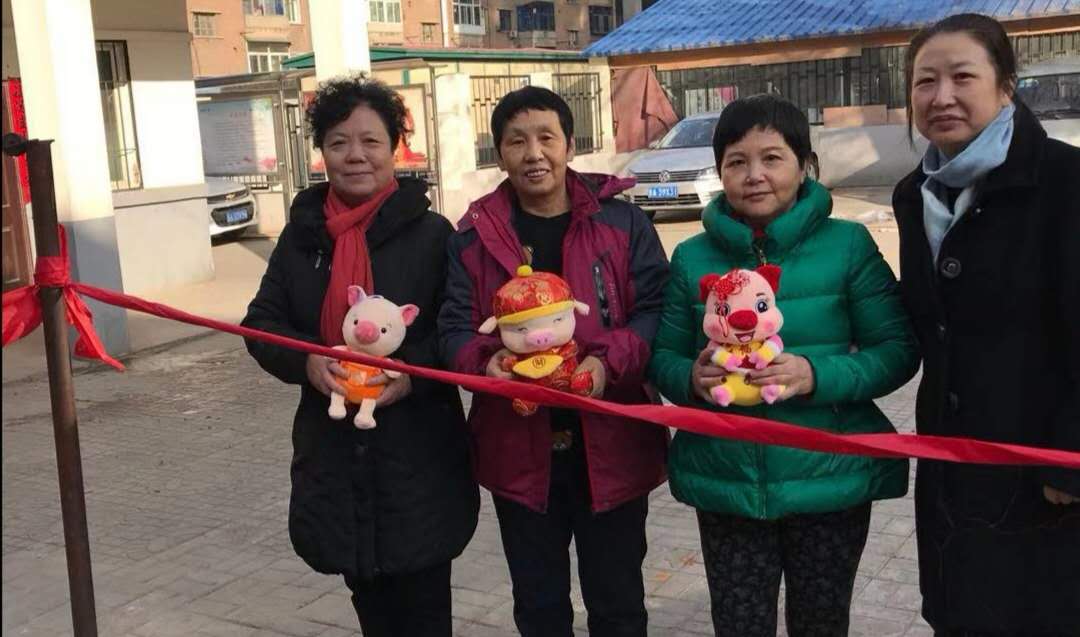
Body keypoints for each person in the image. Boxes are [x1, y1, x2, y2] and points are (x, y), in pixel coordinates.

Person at [647, 94, 920, 637]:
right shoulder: (692, 257)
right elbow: (662, 357)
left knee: (821, 623)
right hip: (726, 483)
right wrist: (690, 379)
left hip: (829, 480)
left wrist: (815, 376)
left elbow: (897, 349)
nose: (754, 175)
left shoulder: (848, 245)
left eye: (771, 158)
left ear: (804, 164)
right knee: (739, 623)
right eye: (736, 161)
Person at [241, 76, 478, 636]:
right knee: (370, 604)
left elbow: (457, 330)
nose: (355, 156)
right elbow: (261, 325)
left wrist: (411, 376)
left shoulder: (432, 234)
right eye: (339, 142)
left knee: (423, 608)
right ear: (321, 151)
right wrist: (307, 362)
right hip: (335, 454)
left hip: (418, 455)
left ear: (395, 147)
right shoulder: (302, 238)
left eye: (371, 141)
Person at [437, 86, 670, 636]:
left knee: (618, 605)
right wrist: (486, 365)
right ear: (500, 154)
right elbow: (453, 328)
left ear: (569, 145)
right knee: (539, 608)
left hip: (612, 445)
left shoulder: (622, 225)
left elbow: (657, 311)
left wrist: (607, 365)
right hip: (519, 453)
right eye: (517, 141)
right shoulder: (473, 240)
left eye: (546, 137)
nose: (534, 153)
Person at [893, 13, 1080, 636]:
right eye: (925, 81)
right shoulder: (912, 195)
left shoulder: (1065, 182)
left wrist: (1069, 458)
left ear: (1006, 86)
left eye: (962, 77)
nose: (941, 96)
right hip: (954, 467)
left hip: (1044, 469)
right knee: (961, 610)